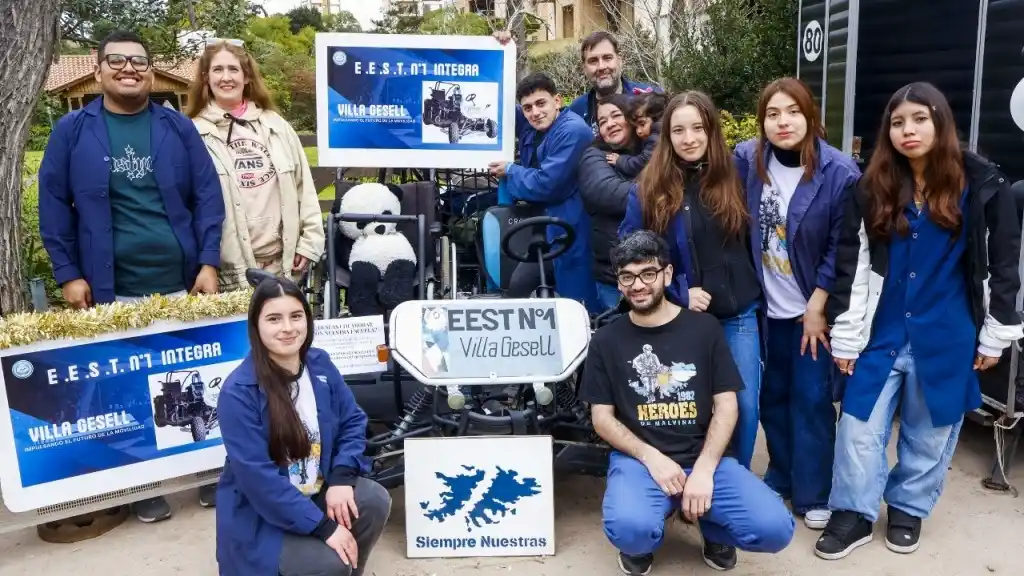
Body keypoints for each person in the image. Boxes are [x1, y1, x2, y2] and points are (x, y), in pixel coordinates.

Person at [815, 82, 1023, 560]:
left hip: (947, 335)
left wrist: (997, 332)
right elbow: (854, 266)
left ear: (940, 122)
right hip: (880, 334)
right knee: (857, 429)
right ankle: (854, 513)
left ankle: (907, 508)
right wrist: (845, 338)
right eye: (897, 122)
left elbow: (1001, 267)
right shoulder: (873, 187)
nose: (908, 130)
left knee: (929, 435)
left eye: (919, 119)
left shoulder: (983, 185)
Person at [37, 29, 224, 522]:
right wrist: (67, 273)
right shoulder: (73, 131)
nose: (128, 69)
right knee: (128, 387)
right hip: (109, 286)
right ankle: (144, 484)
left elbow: (207, 196)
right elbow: (53, 205)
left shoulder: (175, 127)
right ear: (98, 71)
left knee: (193, 379)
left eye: (138, 61)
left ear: (150, 69)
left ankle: (208, 475)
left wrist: (208, 261)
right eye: (116, 60)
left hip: (181, 279)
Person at [580, 230, 795, 575]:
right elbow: (602, 419)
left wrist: (706, 469)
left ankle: (712, 526)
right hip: (641, 462)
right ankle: (649, 528)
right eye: (627, 276)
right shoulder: (606, 340)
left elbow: (727, 405)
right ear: (618, 282)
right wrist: (652, 458)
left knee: (775, 529)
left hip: (702, 457)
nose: (638, 284)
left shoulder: (704, 329)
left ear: (667, 274)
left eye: (648, 273)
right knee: (630, 530)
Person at [733, 77, 861, 529]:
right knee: (773, 396)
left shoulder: (839, 172)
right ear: (762, 122)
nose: (783, 121)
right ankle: (781, 476)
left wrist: (818, 305)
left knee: (811, 399)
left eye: (792, 112)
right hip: (766, 309)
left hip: (812, 311)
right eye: (772, 113)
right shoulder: (748, 160)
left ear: (810, 117)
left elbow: (842, 247)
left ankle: (813, 492)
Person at [619, 91, 764, 470]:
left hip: (738, 314)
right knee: (686, 406)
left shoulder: (737, 173)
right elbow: (630, 251)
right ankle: (686, 482)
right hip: (683, 318)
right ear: (666, 135)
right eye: (678, 130)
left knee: (744, 406)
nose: (689, 139)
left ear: (711, 130)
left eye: (698, 128)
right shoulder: (648, 186)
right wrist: (677, 289)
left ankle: (733, 484)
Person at [216, 274, 391, 576]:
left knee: (373, 500)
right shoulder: (238, 391)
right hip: (265, 516)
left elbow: (353, 421)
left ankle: (350, 570)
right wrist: (324, 528)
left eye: (296, 316)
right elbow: (259, 482)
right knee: (328, 564)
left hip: (317, 490)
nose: (287, 328)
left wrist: (341, 478)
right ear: (256, 327)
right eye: (273, 318)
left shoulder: (319, 363)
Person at [185, 39, 325, 291]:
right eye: (218, 70)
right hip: (227, 275)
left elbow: (305, 188)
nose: (226, 77)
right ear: (206, 78)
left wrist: (309, 243)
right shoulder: (192, 133)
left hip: (283, 267)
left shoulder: (276, 126)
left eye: (233, 69)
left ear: (247, 76)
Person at [487, 72, 601, 313]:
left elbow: (546, 183)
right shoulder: (533, 127)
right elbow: (500, 100)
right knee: (518, 288)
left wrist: (510, 170)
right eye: (527, 107)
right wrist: (501, 48)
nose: (535, 112)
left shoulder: (573, 131)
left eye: (541, 103)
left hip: (573, 229)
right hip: (544, 230)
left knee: (577, 306)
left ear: (557, 101)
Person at [578, 95, 648, 310]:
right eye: (602, 121)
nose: (610, 124)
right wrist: (663, 192)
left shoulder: (652, 150)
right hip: (615, 276)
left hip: (659, 271)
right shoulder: (594, 156)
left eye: (616, 115)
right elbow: (607, 193)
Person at [568, 30, 661, 135]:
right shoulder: (576, 112)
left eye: (607, 58)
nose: (601, 67)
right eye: (593, 61)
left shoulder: (650, 98)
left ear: (620, 61)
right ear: (584, 68)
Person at [614, 92, 667, 179]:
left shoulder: (656, 138)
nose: (638, 131)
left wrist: (620, 161)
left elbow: (642, 162)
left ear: (657, 117)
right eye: (635, 127)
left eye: (642, 124)